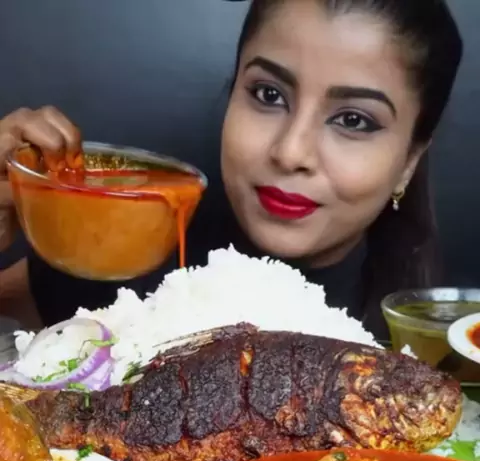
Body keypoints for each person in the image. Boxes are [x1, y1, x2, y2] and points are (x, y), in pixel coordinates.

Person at [0, 0, 463, 337]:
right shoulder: (117, 254)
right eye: (268, 94)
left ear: (409, 161)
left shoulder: (435, 348)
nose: (290, 152)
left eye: (354, 121)